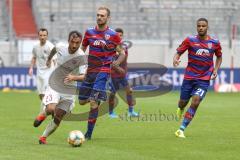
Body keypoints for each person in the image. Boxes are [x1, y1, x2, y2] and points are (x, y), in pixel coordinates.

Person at [78, 6, 125, 140]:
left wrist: (116, 62)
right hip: (90, 71)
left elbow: (121, 52)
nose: (99, 17)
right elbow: (82, 49)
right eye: (98, 15)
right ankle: (98, 96)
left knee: (93, 103)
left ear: (108, 18)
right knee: (81, 102)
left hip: (103, 71)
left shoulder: (113, 35)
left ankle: (88, 134)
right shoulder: (89, 32)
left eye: (102, 15)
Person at [173, 18, 222, 138]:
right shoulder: (190, 40)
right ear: (196, 27)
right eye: (199, 26)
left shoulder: (215, 42)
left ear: (207, 27)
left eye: (203, 26)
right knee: (182, 102)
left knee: (195, 101)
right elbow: (179, 52)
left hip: (204, 79)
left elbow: (219, 57)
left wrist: (215, 70)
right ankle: (180, 108)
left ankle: (181, 129)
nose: (201, 27)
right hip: (189, 78)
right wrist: (176, 58)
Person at [38, 31, 86, 144]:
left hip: (69, 90)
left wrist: (73, 77)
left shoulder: (81, 57)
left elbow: (85, 76)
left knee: (59, 115)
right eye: (72, 42)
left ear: (80, 42)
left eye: (77, 43)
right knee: (51, 109)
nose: (74, 45)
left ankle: (43, 137)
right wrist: (49, 59)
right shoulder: (60, 47)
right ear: (68, 40)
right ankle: (43, 114)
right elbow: (54, 50)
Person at [108, 28, 138, 118]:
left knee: (129, 91)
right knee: (112, 95)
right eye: (117, 35)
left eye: (120, 35)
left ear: (122, 36)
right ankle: (111, 113)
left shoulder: (124, 48)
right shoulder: (110, 48)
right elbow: (110, 62)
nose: (119, 37)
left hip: (122, 75)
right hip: (113, 75)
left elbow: (123, 59)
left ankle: (131, 111)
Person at [28, 28, 55, 114]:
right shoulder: (35, 46)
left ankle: (46, 110)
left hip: (49, 72)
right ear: (38, 36)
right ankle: (51, 109)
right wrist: (31, 68)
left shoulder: (50, 46)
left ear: (47, 36)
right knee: (40, 94)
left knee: (46, 92)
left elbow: (55, 59)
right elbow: (34, 57)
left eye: (44, 35)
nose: (42, 37)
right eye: (41, 35)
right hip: (40, 72)